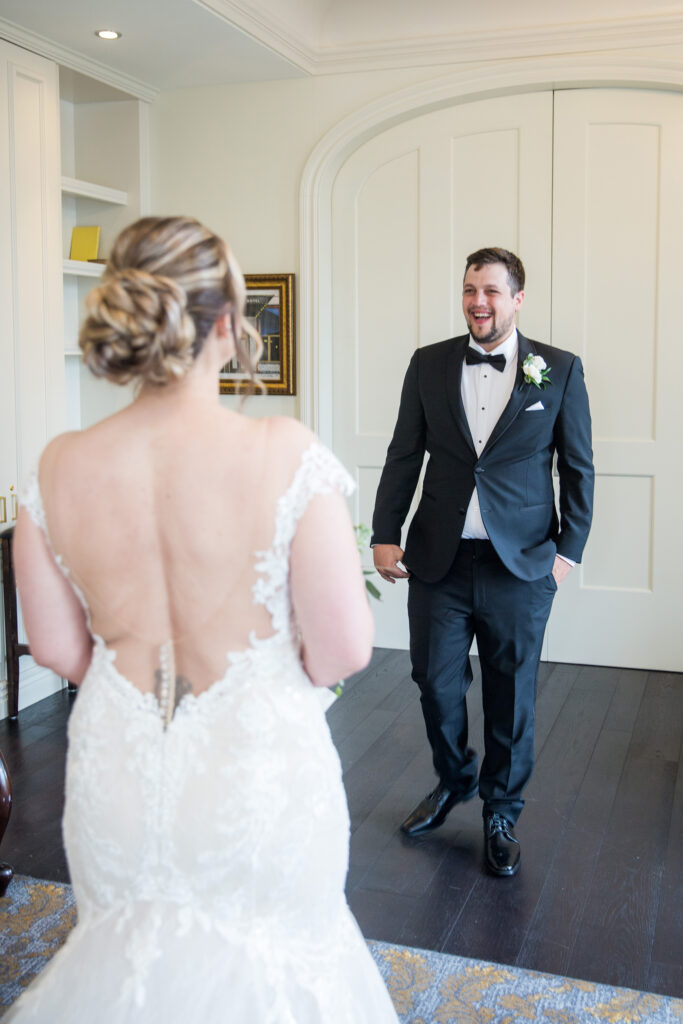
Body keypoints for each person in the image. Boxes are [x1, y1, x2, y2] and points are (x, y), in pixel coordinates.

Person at [10, 216, 399, 1023]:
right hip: (257, 770)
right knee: (284, 964)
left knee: (127, 957)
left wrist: (134, 679)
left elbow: (52, 647)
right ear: (225, 321)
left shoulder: (57, 464)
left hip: (117, 760)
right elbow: (340, 651)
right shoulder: (284, 450)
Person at [371, 247, 593, 878]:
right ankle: (454, 779)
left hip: (521, 566)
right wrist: (386, 532)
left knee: (511, 693)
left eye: (492, 291)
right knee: (434, 680)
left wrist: (566, 555)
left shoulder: (559, 370)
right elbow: (402, 455)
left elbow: (578, 468)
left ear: (518, 299)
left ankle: (502, 809)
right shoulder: (429, 363)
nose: (478, 302)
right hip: (438, 559)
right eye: (470, 290)